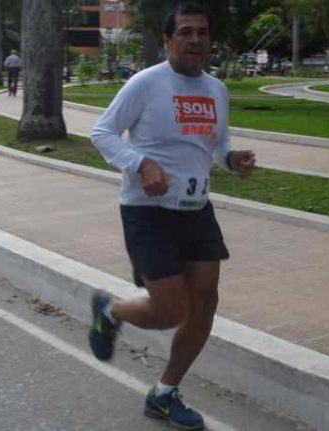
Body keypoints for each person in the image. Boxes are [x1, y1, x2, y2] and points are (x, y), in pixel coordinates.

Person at [88, 3, 255, 430]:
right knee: (171, 310)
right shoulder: (146, 83)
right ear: (168, 41)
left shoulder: (216, 89)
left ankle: (164, 393)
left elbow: (215, 146)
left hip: (196, 210)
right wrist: (141, 164)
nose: (195, 39)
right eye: (185, 32)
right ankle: (111, 310)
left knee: (205, 303)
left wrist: (231, 159)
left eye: (202, 32)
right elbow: (102, 132)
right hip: (148, 211)